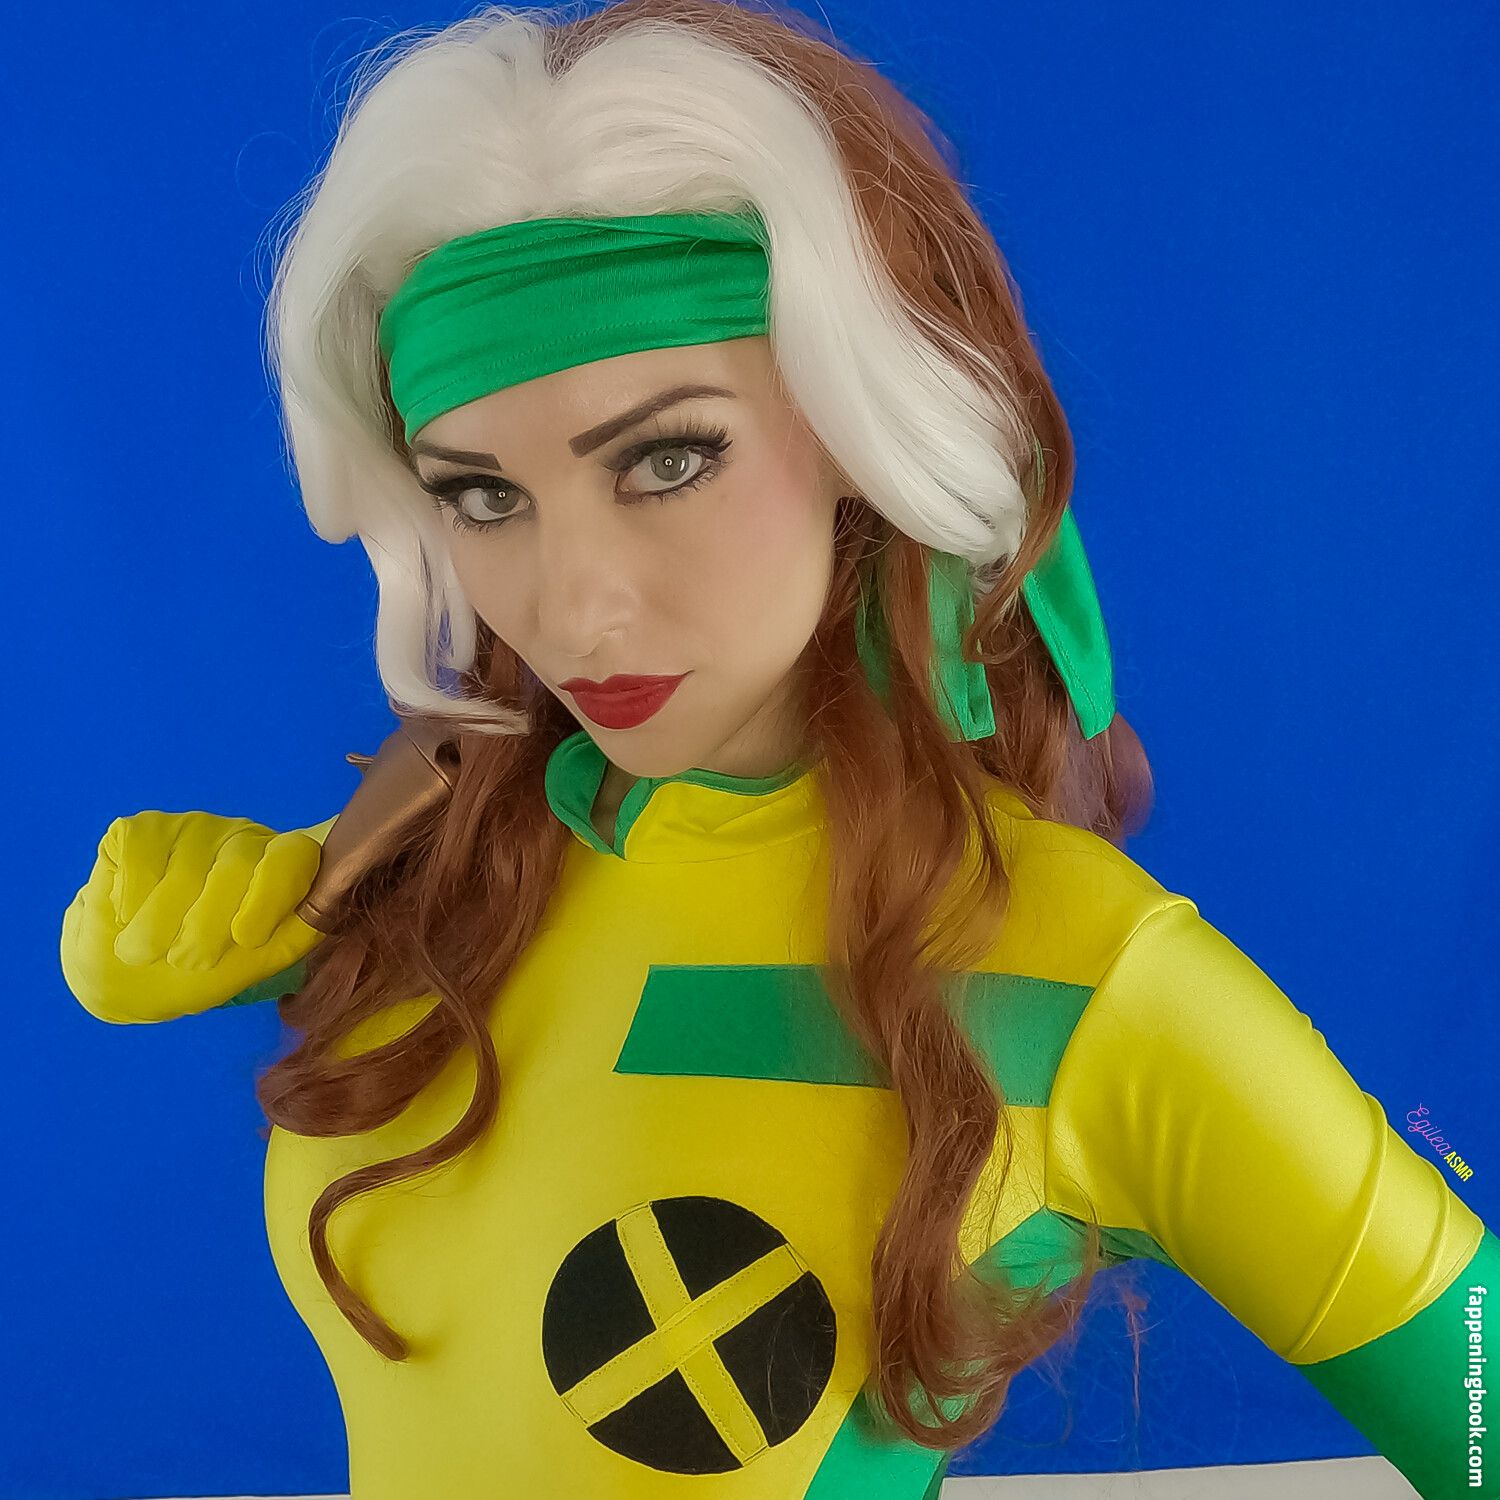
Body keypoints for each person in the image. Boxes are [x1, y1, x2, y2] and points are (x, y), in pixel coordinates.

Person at [58, 2, 1494, 1497]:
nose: (574, 606)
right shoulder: (464, 883)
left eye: (667, 459)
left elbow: (1480, 1391)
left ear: (861, 435)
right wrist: (246, 905)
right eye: (483, 495)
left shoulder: (1074, 974)